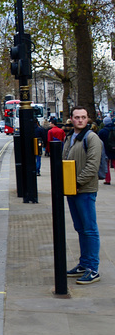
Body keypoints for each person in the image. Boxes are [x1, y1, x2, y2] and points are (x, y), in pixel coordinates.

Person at [62, 106, 103, 285]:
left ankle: (93, 268)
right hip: (71, 190)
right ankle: (84, 263)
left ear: (87, 119)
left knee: (90, 229)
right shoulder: (70, 137)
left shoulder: (92, 138)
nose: (80, 120)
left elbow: (92, 166)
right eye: (77, 117)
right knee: (80, 228)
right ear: (71, 119)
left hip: (84, 191)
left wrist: (76, 183)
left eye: (83, 117)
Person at [98, 116, 114, 185]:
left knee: (106, 165)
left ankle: (107, 180)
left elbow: (99, 141)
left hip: (106, 149)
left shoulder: (102, 131)